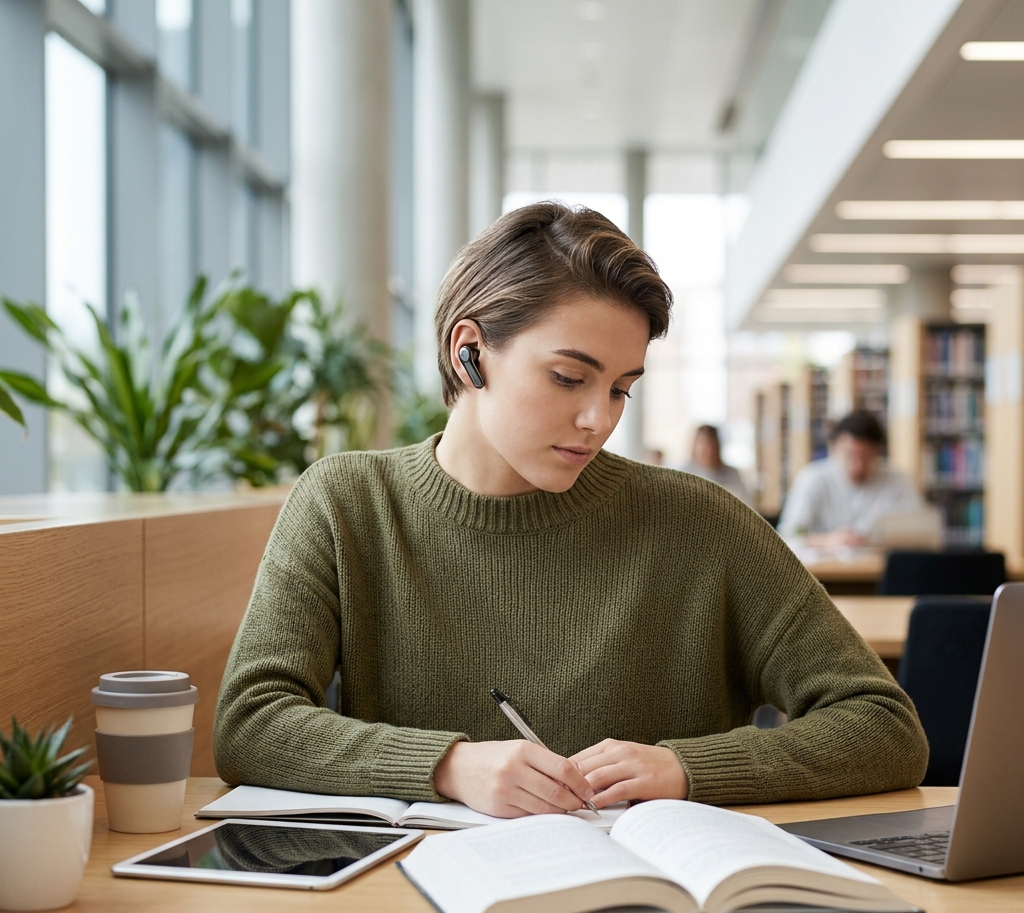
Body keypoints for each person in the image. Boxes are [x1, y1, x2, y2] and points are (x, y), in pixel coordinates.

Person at [214, 203, 926, 818]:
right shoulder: (346, 504)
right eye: (568, 377)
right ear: (470, 355)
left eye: (621, 388)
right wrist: (448, 767)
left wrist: (688, 771)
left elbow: (884, 727)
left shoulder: (702, 523)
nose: (597, 418)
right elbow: (251, 723)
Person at [778, 410, 922, 547]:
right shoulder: (813, 479)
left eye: (866, 457)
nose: (858, 466)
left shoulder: (899, 481)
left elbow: (920, 534)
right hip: (824, 571)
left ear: (878, 451)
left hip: (880, 569)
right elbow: (789, 535)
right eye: (850, 455)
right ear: (835, 448)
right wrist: (828, 541)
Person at [683, 424, 751, 505]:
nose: (708, 450)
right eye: (702, 444)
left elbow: (746, 504)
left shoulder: (732, 474)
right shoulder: (684, 474)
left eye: (710, 444)